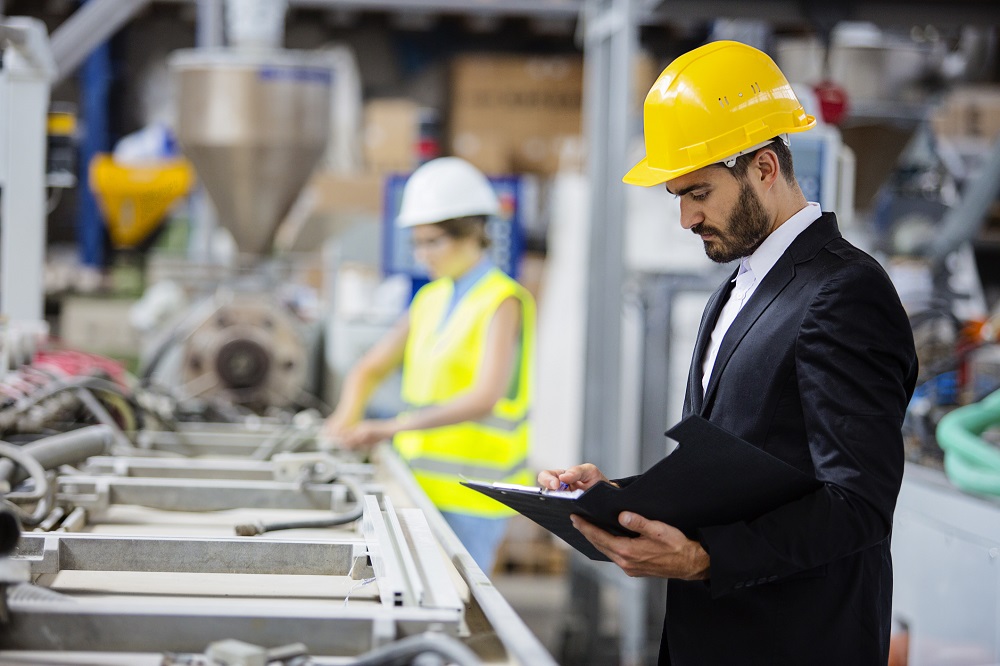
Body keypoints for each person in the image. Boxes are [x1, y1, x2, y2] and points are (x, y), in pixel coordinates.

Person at [538, 41, 918, 665]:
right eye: (677, 197)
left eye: (699, 193)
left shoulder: (844, 291)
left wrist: (705, 557)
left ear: (764, 168)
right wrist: (621, 497)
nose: (686, 218)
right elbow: (745, 468)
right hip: (714, 634)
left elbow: (858, 504)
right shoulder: (737, 291)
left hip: (796, 640)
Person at [324, 156, 535, 575]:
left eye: (433, 242)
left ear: (473, 233)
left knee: (462, 617)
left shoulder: (502, 300)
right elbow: (369, 367)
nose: (423, 255)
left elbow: (484, 398)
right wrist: (341, 422)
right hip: (418, 486)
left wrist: (387, 428)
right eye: (417, 243)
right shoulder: (430, 299)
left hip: (474, 498)